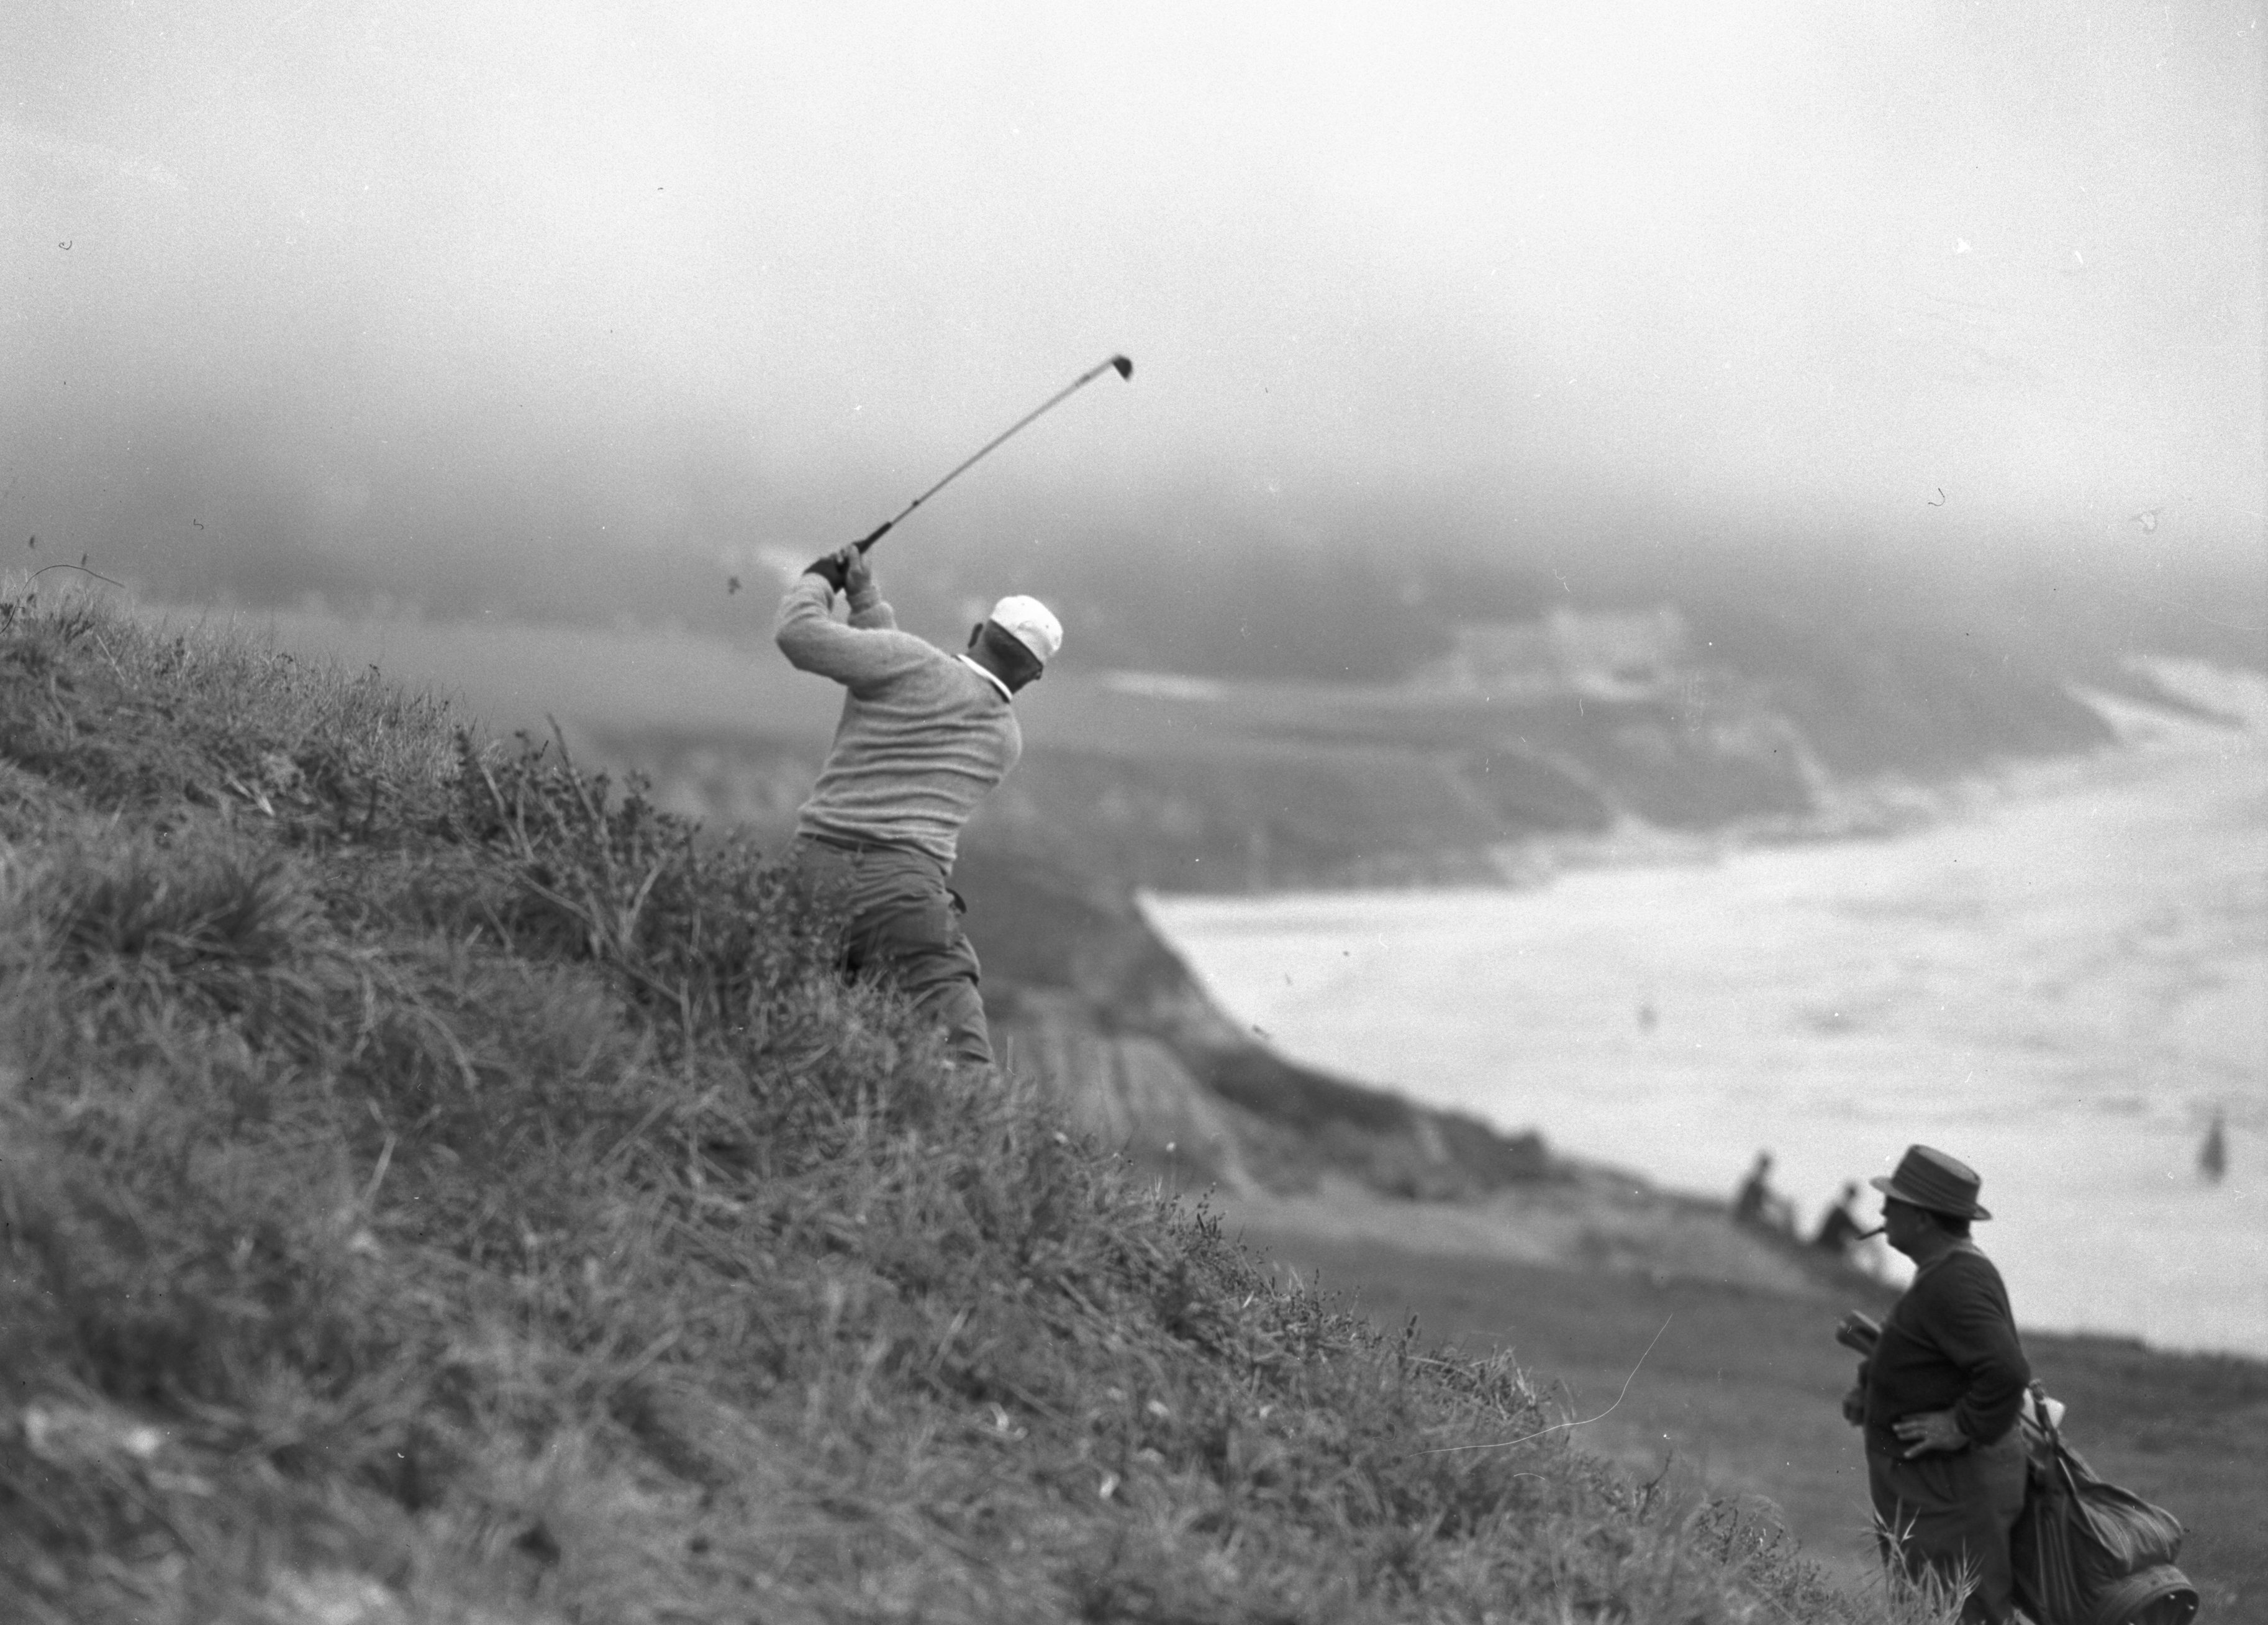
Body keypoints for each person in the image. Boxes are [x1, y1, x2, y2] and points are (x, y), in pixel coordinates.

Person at [773, 544, 1061, 1070]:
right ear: (1034, 676)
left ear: (978, 631)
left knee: (794, 1028)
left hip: (811, 871)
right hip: (902, 895)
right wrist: (866, 597)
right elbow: (902, 673)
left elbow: (803, 636)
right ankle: (972, 1143)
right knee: (959, 1053)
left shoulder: (910, 663)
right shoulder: (1003, 740)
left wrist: (821, 580)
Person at [1849, 1144, 2031, 1625]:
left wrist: (1962, 1425)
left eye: (1895, 1202)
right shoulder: (1946, 1272)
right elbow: (1930, 1355)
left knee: (1961, 1612)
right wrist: (1871, 1390)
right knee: (1931, 1609)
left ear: (1924, 1219)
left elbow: (2007, 1371)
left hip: (1950, 1487)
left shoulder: (1955, 1282)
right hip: (1937, 1489)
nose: (1884, 1210)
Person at [1731, 1150, 1794, 1234]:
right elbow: (1764, 1200)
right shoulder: (1755, 1182)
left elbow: (1769, 1199)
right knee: (1774, 1227)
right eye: (1766, 1166)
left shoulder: (1756, 1181)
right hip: (1747, 1217)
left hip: (1748, 1215)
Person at [1811, 1181, 1867, 1257]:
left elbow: (1853, 1228)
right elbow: (1855, 1228)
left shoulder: (1838, 1210)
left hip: (1826, 1245)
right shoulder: (1840, 1214)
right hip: (1828, 1248)